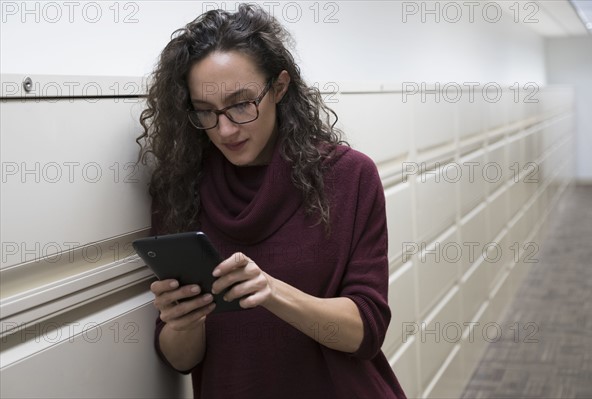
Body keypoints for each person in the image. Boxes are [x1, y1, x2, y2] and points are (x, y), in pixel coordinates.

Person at [136, 4, 406, 398]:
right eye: (206, 112)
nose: (225, 129)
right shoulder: (178, 189)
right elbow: (181, 360)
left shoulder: (349, 176)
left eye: (242, 104)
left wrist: (271, 291)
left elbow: (365, 332)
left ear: (279, 88)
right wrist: (183, 322)